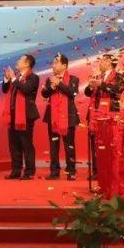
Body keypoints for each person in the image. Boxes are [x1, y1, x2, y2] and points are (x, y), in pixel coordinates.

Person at [83, 53, 123, 180]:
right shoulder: (97, 76)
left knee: (109, 143)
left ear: (110, 63)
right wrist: (91, 86)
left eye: (102, 61)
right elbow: (87, 92)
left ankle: (110, 170)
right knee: (95, 143)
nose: (99, 63)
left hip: (110, 113)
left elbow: (117, 90)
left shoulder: (119, 76)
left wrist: (101, 84)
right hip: (94, 113)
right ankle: (96, 171)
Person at [41, 53, 80, 181]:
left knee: (69, 145)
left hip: (68, 117)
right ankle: (54, 171)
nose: (53, 65)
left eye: (56, 62)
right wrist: (52, 86)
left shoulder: (73, 79)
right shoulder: (49, 79)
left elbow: (73, 93)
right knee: (53, 145)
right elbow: (44, 94)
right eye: (53, 63)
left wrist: (59, 84)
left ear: (64, 65)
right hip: (52, 116)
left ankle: (71, 171)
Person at [2, 54, 39, 179]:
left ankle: (29, 171)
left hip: (25, 115)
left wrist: (13, 78)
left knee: (26, 144)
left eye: (20, 60)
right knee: (13, 144)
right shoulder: (16, 78)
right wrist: (7, 79)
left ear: (27, 64)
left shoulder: (33, 77)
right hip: (12, 115)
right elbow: (5, 90)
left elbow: (26, 89)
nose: (17, 61)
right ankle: (16, 171)